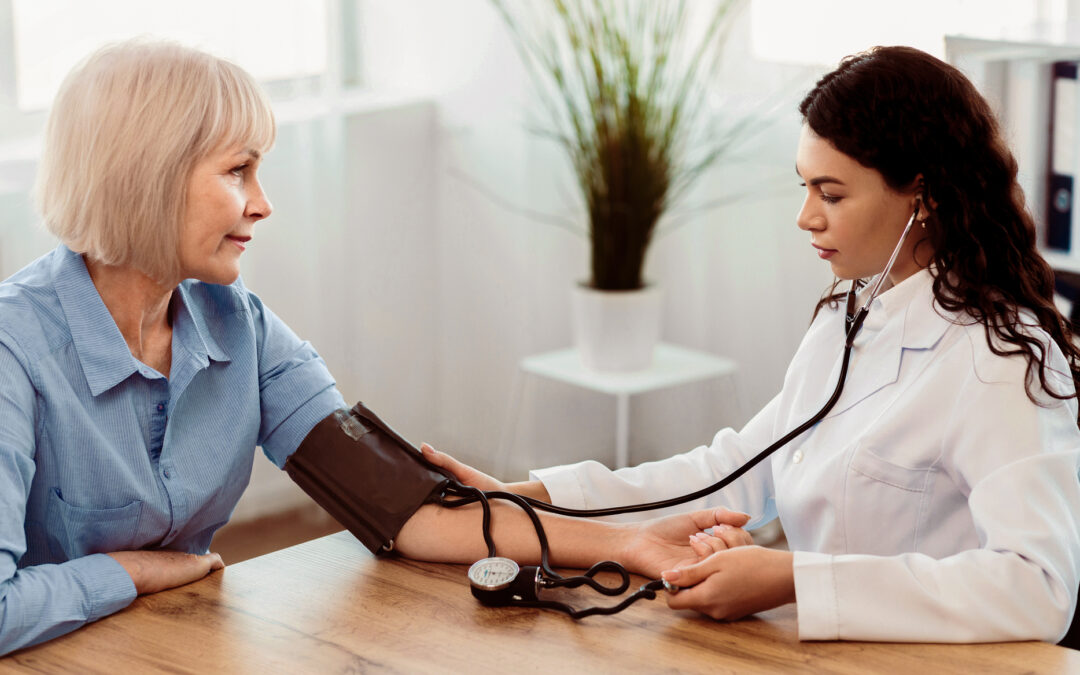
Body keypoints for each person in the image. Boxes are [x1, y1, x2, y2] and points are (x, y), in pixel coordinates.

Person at [0, 39, 752, 656]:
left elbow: (410, 511)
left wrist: (630, 542)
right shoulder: (15, 347)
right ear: (149, 175)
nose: (264, 202)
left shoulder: (240, 325)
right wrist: (126, 572)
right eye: (238, 170)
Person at [425, 45, 1080, 644]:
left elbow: (1038, 587)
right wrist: (528, 498)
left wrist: (797, 579)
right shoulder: (849, 317)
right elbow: (734, 469)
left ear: (923, 197)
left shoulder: (1002, 360)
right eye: (805, 186)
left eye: (832, 193)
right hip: (817, 655)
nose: (806, 217)